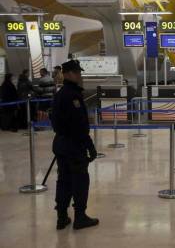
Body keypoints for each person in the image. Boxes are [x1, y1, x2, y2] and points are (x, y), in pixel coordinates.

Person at [51, 60, 99, 230]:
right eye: (77, 72)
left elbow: (54, 120)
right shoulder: (72, 95)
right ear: (68, 74)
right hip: (73, 145)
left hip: (61, 143)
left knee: (63, 181)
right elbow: (79, 126)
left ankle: (62, 217)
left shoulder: (60, 93)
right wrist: (90, 146)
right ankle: (80, 217)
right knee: (79, 180)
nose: (80, 75)